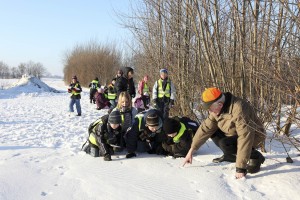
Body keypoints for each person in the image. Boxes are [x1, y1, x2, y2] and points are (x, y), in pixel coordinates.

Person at [183, 87, 266, 179]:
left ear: (220, 104)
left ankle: (255, 156)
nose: (209, 111)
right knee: (212, 132)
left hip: (254, 135)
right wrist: (192, 150)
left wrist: (240, 168)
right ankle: (231, 155)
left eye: (210, 108)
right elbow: (205, 129)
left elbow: (245, 136)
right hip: (233, 134)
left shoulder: (239, 108)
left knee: (225, 144)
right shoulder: (216, 109)